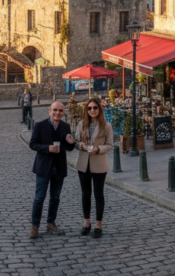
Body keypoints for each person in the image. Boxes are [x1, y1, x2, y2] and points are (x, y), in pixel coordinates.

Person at [28, 101, 76, 238]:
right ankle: (35, 226)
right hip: (43, 168)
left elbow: (69, 148)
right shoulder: (40, 125)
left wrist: (70, 141)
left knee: (55, 198)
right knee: (39, 198)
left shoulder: (65, 126)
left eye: (60, 111)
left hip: (59, 168)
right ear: (49, 110)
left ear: (63, 112)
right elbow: (32, 144)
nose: (57, 113)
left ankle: (51, 223)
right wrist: (47, 148)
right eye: (55, 110)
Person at [76, 97, 112, 238]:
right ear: (86, 110)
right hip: (83, 164)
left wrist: (98, 148)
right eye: (89, 108)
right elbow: (77, 142)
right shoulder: (81, 124)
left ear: (99, 109)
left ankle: (98, 224)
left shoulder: (106, 126)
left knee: (98, 195)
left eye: (95, 108)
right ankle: (86, 223)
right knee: (85, 194)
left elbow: (110, 145)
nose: (92, 110)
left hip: (99, 164)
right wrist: (81, 145)